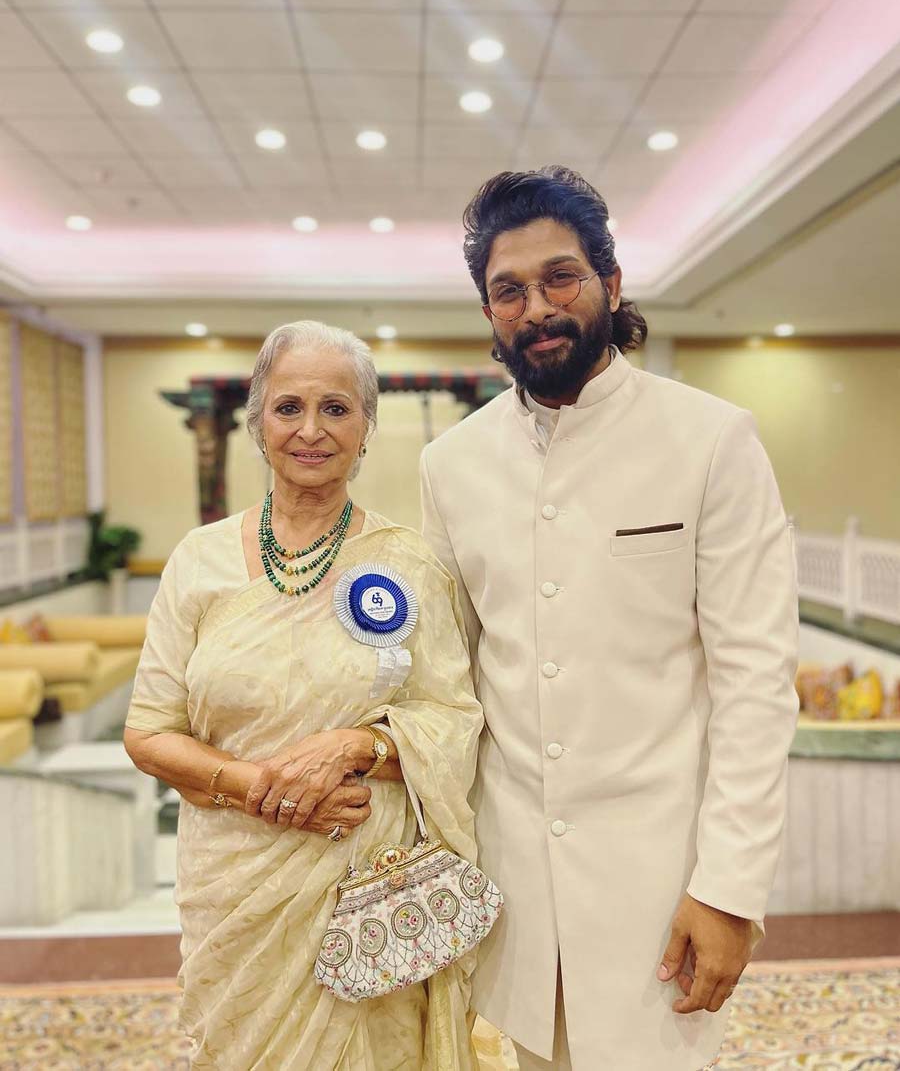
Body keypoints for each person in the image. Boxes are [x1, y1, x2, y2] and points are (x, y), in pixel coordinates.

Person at [419, 167, 799, 1071]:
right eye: (508, 290)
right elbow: (449, 673)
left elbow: (755, 684)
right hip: (516, 890)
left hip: (661, 886)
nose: (537, 306)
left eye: (561, 277)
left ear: (611, 284)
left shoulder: (713, 439)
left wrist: (731, 890)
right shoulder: (451, 463)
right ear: (488, 313)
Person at [124, 321, 484, 1070]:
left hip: (368, 896)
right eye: (288, 407)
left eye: (337, 408)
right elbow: (149, 730)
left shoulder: (407, 563)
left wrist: (359, 745)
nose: (311, 430)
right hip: (237, 896)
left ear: (367, 426)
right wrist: (267, 788)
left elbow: (454, 717)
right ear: (258, 421)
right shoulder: (199, 561)